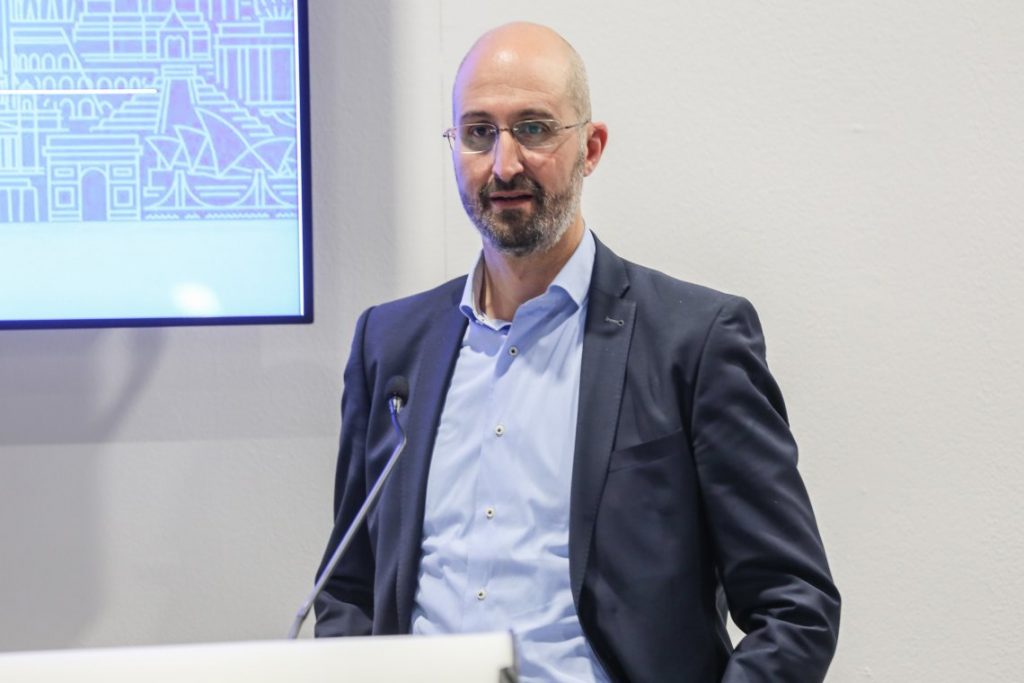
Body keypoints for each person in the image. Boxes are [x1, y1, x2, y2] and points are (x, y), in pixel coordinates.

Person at [314, 21, 840, 682]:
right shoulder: (390, 345)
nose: (504, 164)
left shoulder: (693, 341)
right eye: (478, 132)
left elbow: (795, 608)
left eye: (533, 128)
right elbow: (350, 589)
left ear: (591, 148)